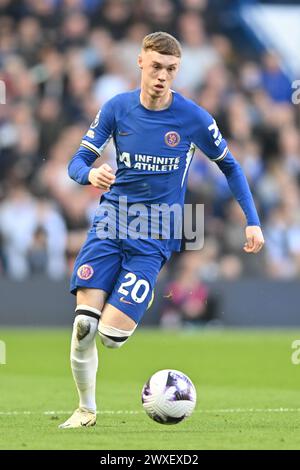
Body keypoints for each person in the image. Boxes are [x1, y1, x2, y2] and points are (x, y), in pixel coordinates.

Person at [59, 32, 264, 428]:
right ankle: (86, 410)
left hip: (153, 236)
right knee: (84, 325)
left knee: (111, 338)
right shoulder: (117, 108)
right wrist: (90, 173)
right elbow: (76, 161)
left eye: (170, 70)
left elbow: (232, 167)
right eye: (155, 67)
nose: (161, 76)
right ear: (140, 62)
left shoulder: (194, 119)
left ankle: (142, 290)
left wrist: (252, 221)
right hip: (109, 224)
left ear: (178, 71)